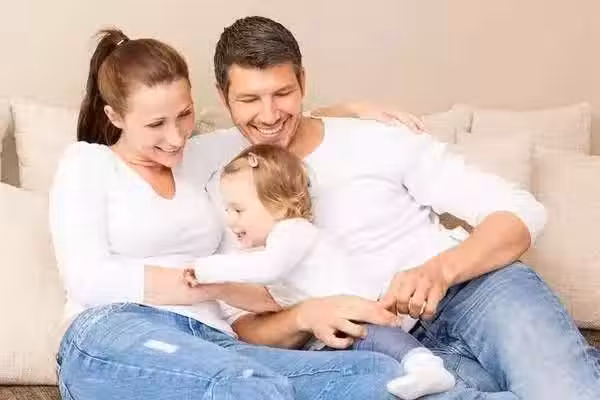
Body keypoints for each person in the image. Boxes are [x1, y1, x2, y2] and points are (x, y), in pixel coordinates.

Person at [180, 16, 600, 400]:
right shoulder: (221, 182)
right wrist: (304, 317)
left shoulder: (374, 139)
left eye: (282, 93)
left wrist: (440, 271)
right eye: (250, 99)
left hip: (474, 292)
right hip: (376, 344)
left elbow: (520, 211)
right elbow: (243, 323)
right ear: (223, 96)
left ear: (303, 82)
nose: (270, 114)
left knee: (567, 392)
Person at [51, 28, 428, 400]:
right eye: (155, 125)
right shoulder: (88, 163)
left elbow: (272, 129)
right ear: (115, 117)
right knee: (244, 385)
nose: (176, 137)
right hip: (116, 329)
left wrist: (348, 112)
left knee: (378, 375)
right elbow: (88, 278)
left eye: (184, 114)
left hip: (212, 340)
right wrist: (207, 282)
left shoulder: (200, 157)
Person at [185, 143, 456, 399]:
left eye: (238, 210)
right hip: (334, 327)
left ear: (278, 206)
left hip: (361, 311)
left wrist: (206, 268)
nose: (229, 220)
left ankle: (426, 365)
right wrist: (217, 290)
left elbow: (267, 269)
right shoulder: (273, 250)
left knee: (376, 337)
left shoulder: (292, 232)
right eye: (227, 209)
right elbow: (266, 301)